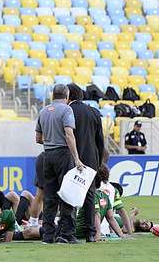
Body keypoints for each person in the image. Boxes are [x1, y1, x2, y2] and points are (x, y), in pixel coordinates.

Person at [35, 83, 85, 244]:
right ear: (67, 94)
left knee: (49, 197)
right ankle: (67, 234)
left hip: (47, 155)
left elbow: (38, 138)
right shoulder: (66, 110)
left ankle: (48, 236)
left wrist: (50, 140)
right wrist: (76, 158)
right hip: (63, 154)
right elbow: (69, 135)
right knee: (68, 195)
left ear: (52, 95)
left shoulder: (43, 111)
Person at [68, 83, 106, 242]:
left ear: (69, 95)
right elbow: (100, 141)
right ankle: (91, 233)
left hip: (71, 158)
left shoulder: (67, 112)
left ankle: (69, 232)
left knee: (68, 195)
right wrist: (98, 162)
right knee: (89, 196)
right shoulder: (94, 112)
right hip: (91, 159)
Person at [74, 165, 126, 242]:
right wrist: (97, 236)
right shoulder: (94, 195)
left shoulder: (103, 195)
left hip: (87, 231)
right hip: (80, 232)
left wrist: (122, 236)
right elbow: (97, 216)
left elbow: (110, 217)